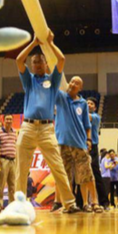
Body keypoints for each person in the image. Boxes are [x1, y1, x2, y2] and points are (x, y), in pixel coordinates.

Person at [15, 30, 79, 214]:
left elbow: (61, 60)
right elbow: (19, 60)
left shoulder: (52, 81)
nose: (36, 65)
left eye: (39, 61)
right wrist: (34, 43)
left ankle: (69, 203)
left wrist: (49, 44)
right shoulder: (28, 80)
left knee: (58, 167)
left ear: (45, 64)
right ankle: (19, 205)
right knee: (21, 169)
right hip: (27, 127)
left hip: (46, 129)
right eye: (34, 62)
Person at [55, 76, 103, 213]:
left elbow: (87, 125)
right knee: (66, 176)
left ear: (80, 88)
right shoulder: (61, 98)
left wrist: (88, 140)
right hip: (63, 144)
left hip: (79, 144)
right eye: (71, 81)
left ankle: (95, 203)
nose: (73, 83)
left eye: (77, 83)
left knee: (87, 174)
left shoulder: (82, 103)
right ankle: (69, 204)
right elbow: (53, 84)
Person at [87, 97, 109, 210]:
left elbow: (87, 117)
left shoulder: (95, 117)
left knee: (96, 173)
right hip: (81, 147)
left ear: (95, 107)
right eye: (87, 103)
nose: (88, 105)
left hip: (93, 147)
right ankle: (81, 203)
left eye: (91, 104)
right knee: (80, 176)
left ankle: (104, 202)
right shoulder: (81, 116)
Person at [0, 114, 17, 212]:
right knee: (0, 184)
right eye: (7, 119)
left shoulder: (15, 132)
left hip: (13, 161)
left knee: (13, 185)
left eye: (10, 119)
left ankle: (12, 205)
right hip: (3, 160)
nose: (9, 121)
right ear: (3, 120)